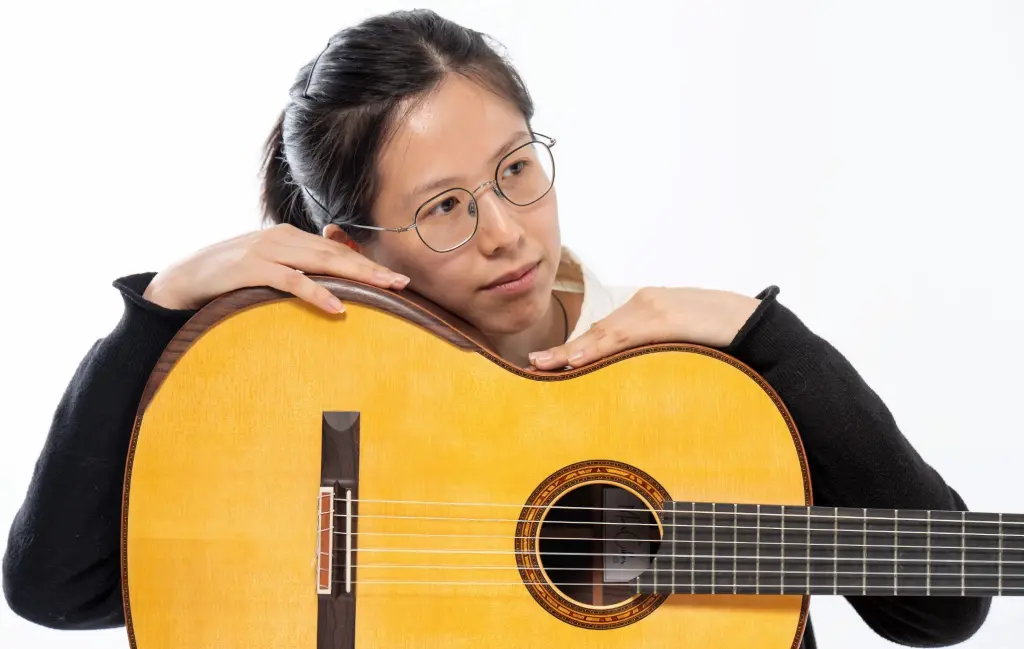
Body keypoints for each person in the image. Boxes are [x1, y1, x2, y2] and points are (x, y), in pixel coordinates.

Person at [1, 9, 990, 648]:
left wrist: (769, 337)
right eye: (443, 208)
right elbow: (58, 588)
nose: (506, 232)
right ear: (354, 244)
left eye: (516, 169)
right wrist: (160, 308)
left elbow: (940, 602)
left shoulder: (691, 391)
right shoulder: (292, 382)